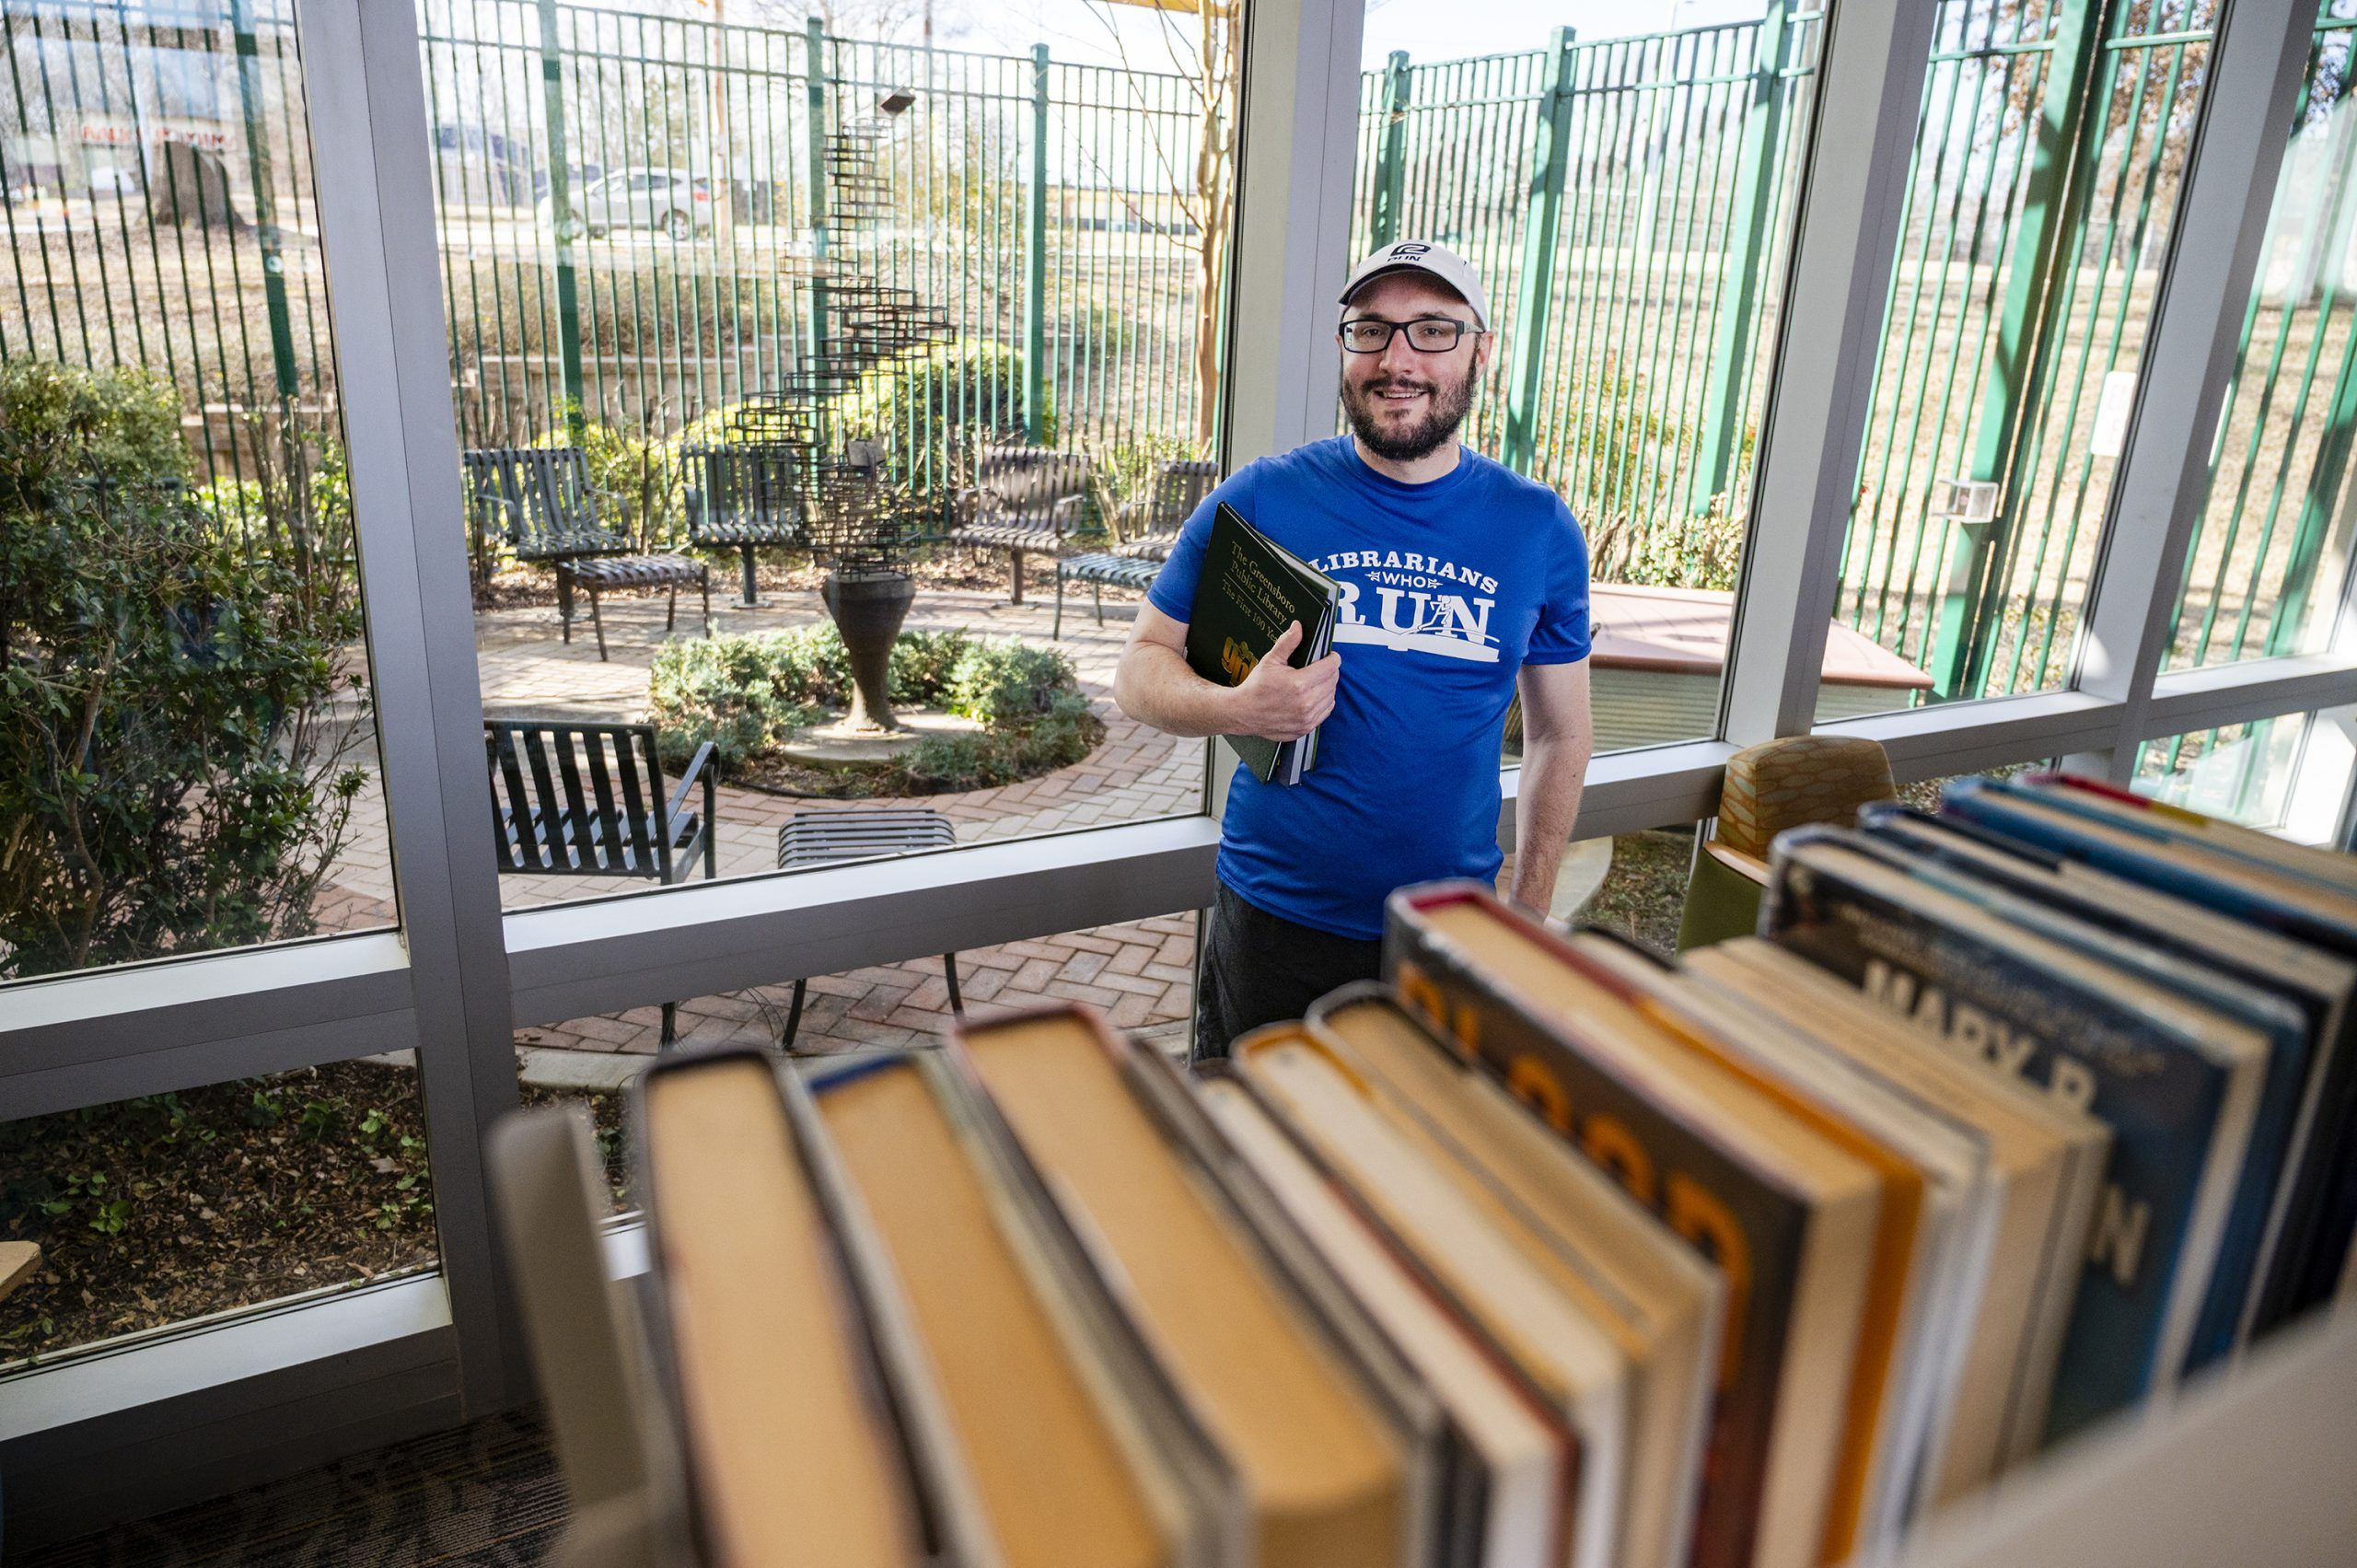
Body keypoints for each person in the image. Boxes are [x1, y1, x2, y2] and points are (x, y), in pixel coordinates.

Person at [1113, 238, 1595, 1057]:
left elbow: (1562, 731)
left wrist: (1528, 908)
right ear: (1345, 348)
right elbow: (1138, 668)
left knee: (1413, 1167)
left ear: (1482, 349)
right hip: (1275, 920)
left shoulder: (1536, 528)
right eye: (1371, 330)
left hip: (1446, 931)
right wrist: (1234, 706)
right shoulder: (1264, 495)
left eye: (1432, 330)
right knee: (1252, 1160)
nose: (1397, 358)